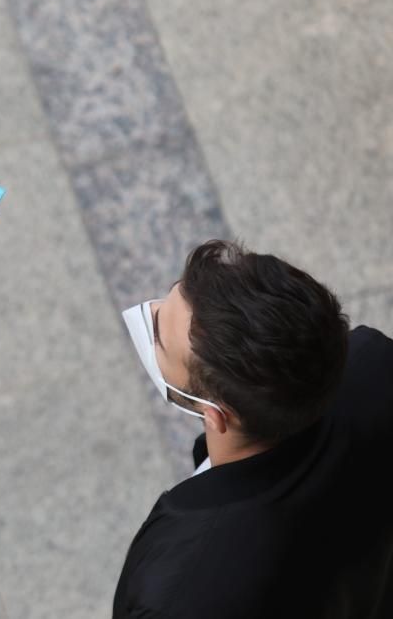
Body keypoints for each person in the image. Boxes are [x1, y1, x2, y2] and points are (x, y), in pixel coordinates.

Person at [114, 239, 393, 618]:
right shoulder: (376, 363)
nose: (149, 312)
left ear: (216, 415)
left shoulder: (176, 590)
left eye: (159, 339)